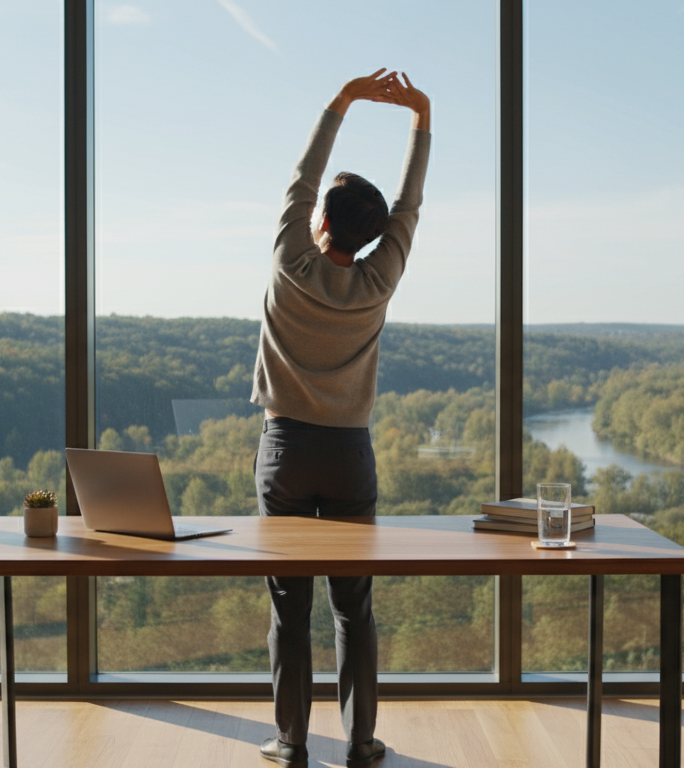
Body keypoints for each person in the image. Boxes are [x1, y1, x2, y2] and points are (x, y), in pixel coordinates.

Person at [250, 69, 431, 768]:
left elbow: (303, 174)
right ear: (375, 235)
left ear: (320, 220)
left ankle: (292, 742)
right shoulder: (380, 279)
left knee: (287, 607)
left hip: (285, 450)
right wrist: (421, 116)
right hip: (350, 453)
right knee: (353, 606)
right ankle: (360, 744)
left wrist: (344, 102)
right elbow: (410, 204)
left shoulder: (290, 260)